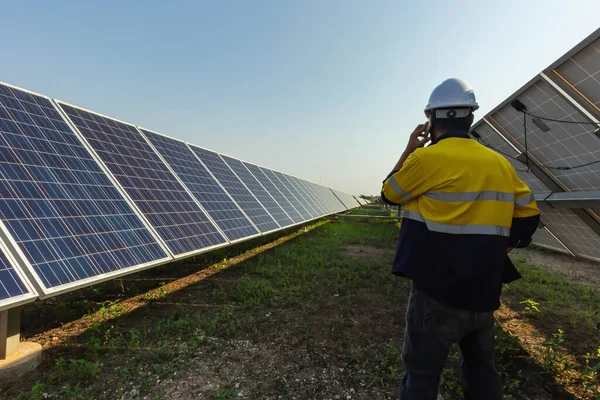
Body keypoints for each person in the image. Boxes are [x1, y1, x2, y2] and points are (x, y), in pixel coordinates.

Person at [380, 78, 541, 400]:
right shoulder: (499, 163)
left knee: (422, 375)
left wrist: (410, 149)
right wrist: (498, 249)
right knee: (482, 371)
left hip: (436, 294)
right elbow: (529, 216)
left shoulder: (425, 160)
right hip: (483, 290)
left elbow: (389, 194)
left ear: (431, 120)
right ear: (470, 118)